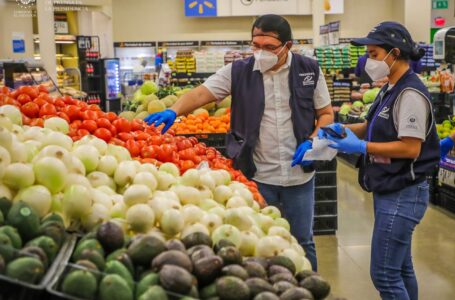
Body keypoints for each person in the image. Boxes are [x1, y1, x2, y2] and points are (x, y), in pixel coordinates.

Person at [145, 14, 334, 271]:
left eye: (269, 47)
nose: (261, 52)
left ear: (288, 46)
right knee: (256, 240)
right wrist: (174, 111)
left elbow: (325, 114)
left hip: (299, 175)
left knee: (303, 240)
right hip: (256, 175)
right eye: (256, 45)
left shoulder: (309, 69)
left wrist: (313, 141)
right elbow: (203, 93)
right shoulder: (238, 71)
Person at [319, 22, 439, 300]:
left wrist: (360, 146)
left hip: (403, 192)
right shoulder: (390, 89)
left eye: (373, 54)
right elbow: (371, 125)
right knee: (401, 268)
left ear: (394, 54)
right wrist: (340, 131)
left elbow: (410, 148)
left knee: (384, 273)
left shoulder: (410, 94)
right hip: (390, 187)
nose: (368, 62)